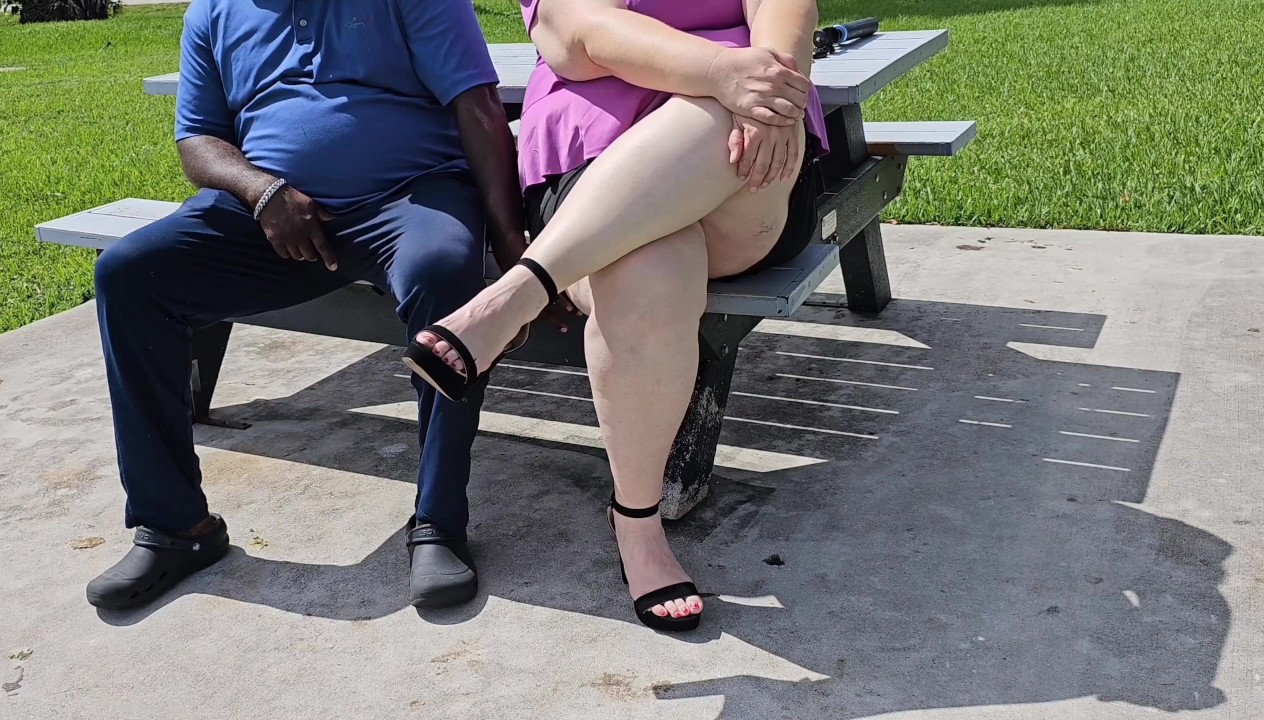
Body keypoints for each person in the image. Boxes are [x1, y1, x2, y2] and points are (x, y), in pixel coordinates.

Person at [86, 0, 525, 611]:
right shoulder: (213, 11)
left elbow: (476, 105)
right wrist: (261, 190)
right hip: (270, 216)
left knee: (443, 272)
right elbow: (198, 140)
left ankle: (439, 522)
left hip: (409, 197)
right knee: (131, 275)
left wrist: (511, 247)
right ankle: (175, 527)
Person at [402, 0, 827, 631]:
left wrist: (767, 90)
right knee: (645, 274)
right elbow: (575, 35)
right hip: (596, 163)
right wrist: (722, 70)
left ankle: (519, 294)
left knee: (717, 110)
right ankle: (638, 523)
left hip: (747, 158)